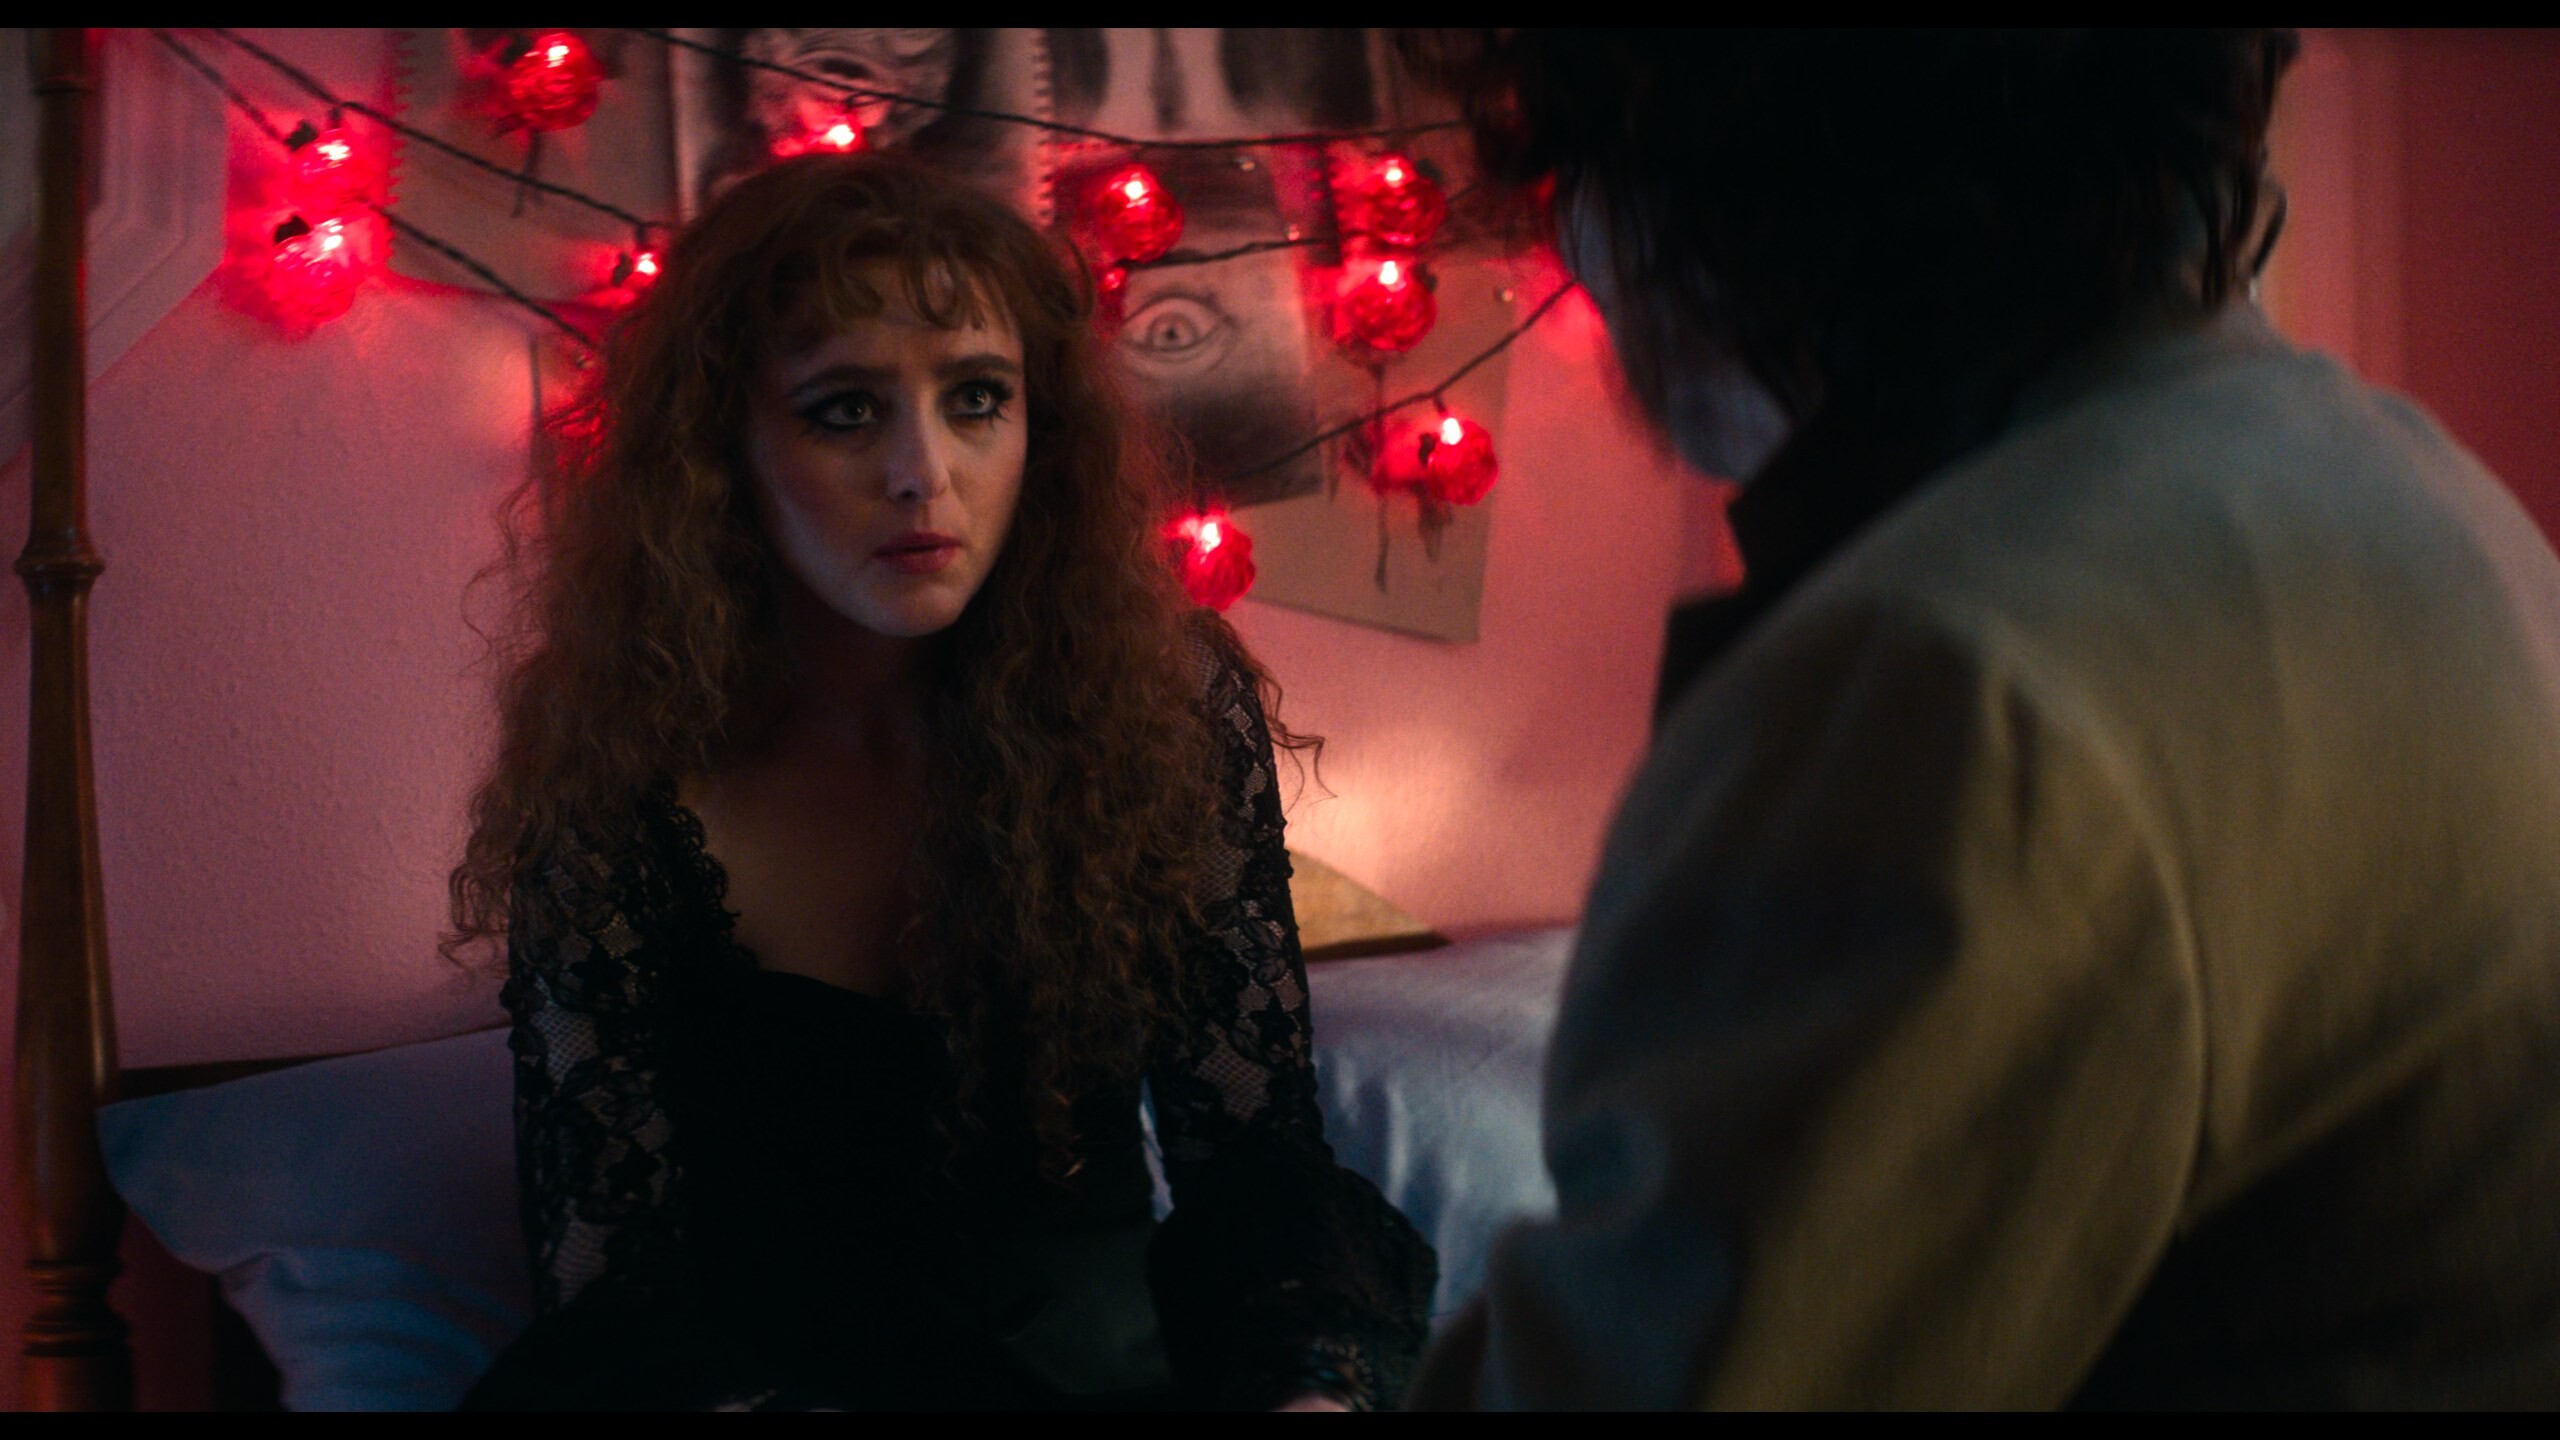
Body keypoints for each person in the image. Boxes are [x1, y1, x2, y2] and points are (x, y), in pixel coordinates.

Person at [1402, 29, 2560, 1407]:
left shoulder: (1948, 675)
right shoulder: (2408, 478)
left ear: (1725, 178)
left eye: (1580, 173)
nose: (1576, 253)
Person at [445, 151, 1434, 1411]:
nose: (924, 471)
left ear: (1039, 430)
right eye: (843, 410)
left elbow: (1252, 1160)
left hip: (1100, 1377)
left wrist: (1307, 1387)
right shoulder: (617, 773)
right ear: (719, 449)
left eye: (975, 398)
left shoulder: (1157, 712)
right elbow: (607, 1273)